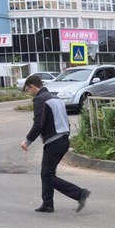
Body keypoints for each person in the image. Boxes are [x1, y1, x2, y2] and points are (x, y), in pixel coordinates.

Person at [20, 75, 90, 213]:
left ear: (33, 87)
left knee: (47, 175)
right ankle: (47, 204)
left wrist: (27, 141)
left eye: (28, 90)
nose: (29, 93)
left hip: (54, 141)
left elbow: (38, 124)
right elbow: (65, 119)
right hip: (63, 140)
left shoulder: (40, 99)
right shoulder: (56, 98)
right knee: (47, 173)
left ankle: (79, 193)